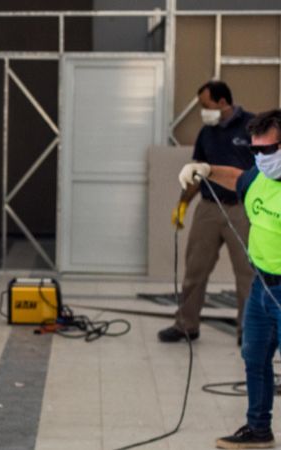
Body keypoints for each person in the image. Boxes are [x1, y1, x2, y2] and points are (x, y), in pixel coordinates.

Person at [177, 110, 281, 449]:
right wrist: (206, 170)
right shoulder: (258, 177)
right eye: (255, 150)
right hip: (261, 288)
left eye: (268, 150)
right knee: (254, 356)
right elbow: (237, 177)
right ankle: (259, 430)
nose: (261, 158)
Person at [159, 80, 254, 344]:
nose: (203, 111)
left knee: (247, 273)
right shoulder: (207, 133)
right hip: (209, 208)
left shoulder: (251, 127)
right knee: (195, 269)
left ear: (222, 102)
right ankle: (186, 325)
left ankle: (248, 330)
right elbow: (197, 172)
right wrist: (183, 204)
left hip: (242, 209)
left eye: (206, 105)